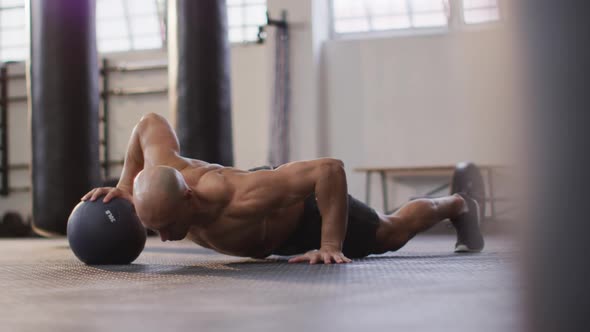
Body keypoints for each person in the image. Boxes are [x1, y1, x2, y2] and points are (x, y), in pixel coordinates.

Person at [82, 113, 484, 264]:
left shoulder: (241, 196)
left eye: (169, 226)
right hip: (270, 239)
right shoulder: (162, 171)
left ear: (188, 195)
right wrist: (123, 186)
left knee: (390, 232)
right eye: (156, 229)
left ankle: (457, 204)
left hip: (303, 216)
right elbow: (147, 123)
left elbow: (329, 170)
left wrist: (330, 243)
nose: (166, 239)